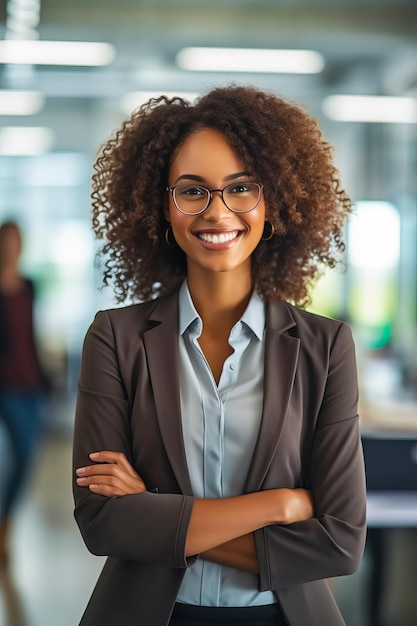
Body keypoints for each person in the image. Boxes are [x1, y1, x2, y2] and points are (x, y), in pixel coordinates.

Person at [73, 85, 367, 626]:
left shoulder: (325, 348)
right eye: (193, 191)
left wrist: (155, 513)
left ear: (272, 201)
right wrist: (279, 507)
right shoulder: (115, 338)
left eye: (241, 189)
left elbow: (340, 543)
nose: (218, 212)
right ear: (162, 205)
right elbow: (101, 522)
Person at [0, 221, 49, 565]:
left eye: (15, 242)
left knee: (26, 459)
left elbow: (32, 334)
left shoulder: (30, 285)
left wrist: (46, 376)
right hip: (5, 385)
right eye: (6, 241)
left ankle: (6, 524)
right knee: (15, 456)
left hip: (30, 382)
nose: (11, 247)